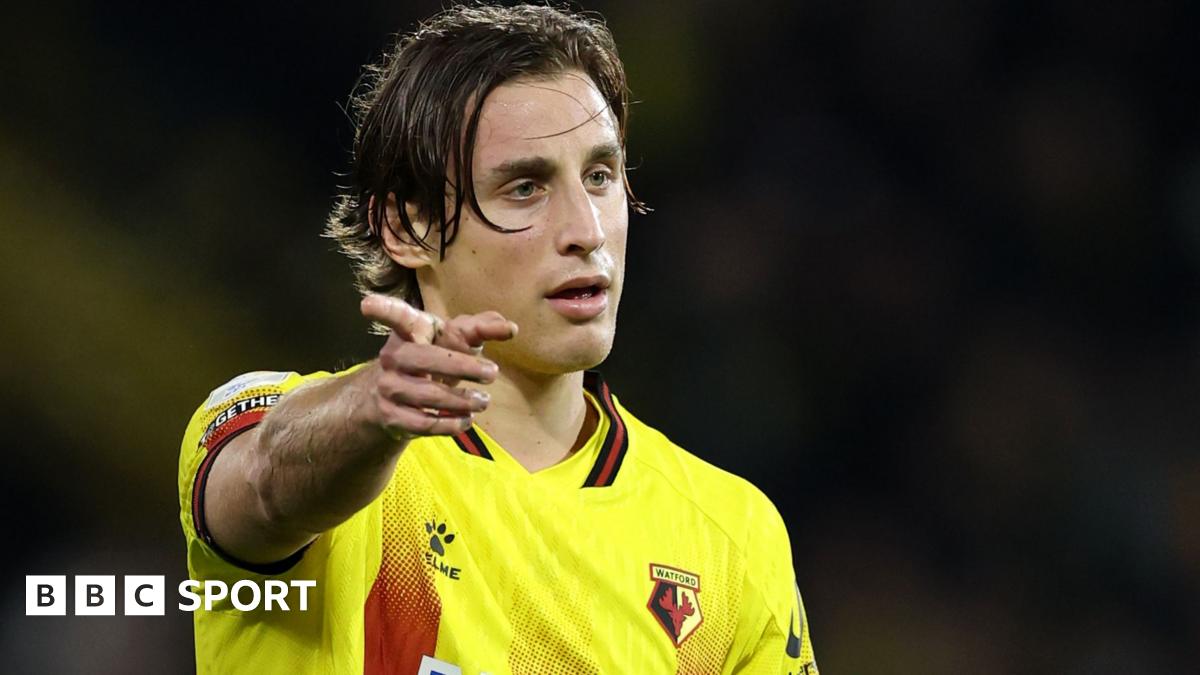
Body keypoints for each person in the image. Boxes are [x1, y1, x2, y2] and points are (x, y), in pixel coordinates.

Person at [177, 4, 818, 674]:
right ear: (407, 226)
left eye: (600, 176)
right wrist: (371, 410)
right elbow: (266, 483)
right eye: (525, 188)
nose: (587, 231)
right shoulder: (308, 447)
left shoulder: (733, 536)